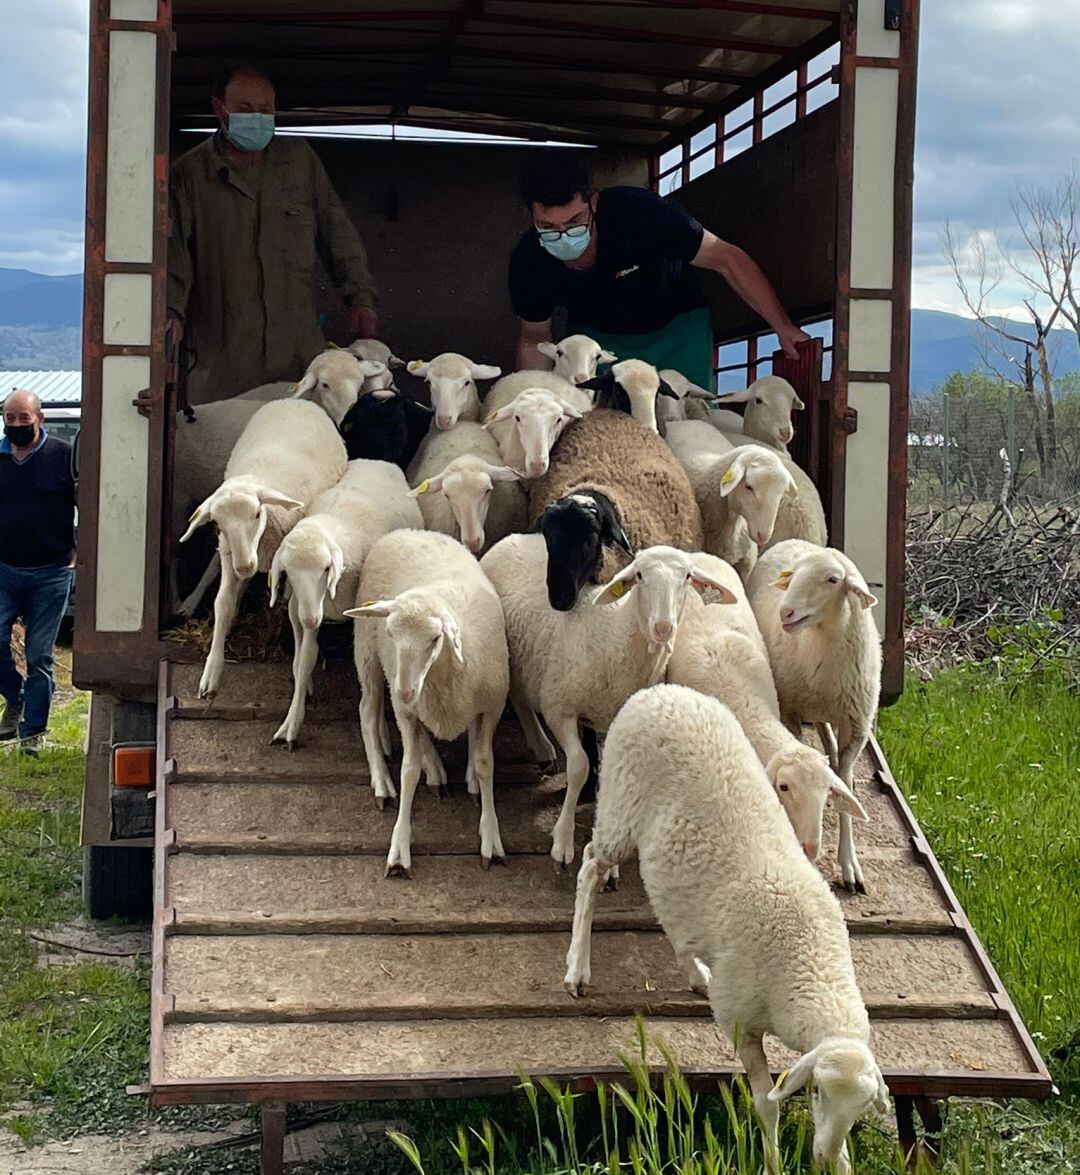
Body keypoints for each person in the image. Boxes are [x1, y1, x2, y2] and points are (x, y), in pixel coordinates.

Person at [168, 64, 379, 405]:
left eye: (265, 110)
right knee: (223, 450)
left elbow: (337, 233)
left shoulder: (300, 163)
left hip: (297, 356)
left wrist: (361, 298)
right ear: (219, 109)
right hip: (223, 361)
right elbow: (173, 258)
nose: (258, 117)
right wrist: (170, 317)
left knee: (304, 446)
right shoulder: (189, 176)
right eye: (245, 110)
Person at [508, 151, 810, 387]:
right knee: (602, 432)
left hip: (678, 329)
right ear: (530, 216)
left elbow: (726, 258)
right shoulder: (530, 263)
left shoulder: (642, 214)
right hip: (597, 343)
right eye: (548, 226)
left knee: (691, 424)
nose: (563, 234)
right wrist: (531, 399)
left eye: (574, 222)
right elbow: (535, 338)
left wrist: (782, 326)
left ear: (594, 203)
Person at [0, 390, 76, 756]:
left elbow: (88, 503)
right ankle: (13, 700)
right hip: (5, 570)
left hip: (52, 573)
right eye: (9, 418)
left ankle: (33, 732)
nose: (16, 424)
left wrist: (82, 552)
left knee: (39, 657)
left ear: (39, 419)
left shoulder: (63, 456)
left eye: (23, 418)